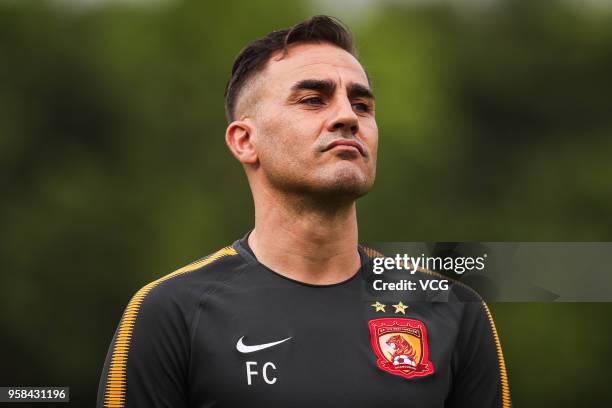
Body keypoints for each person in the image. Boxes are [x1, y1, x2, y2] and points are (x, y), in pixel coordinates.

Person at [97, 15, 510, 408]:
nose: (348, 116)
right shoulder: (173, 311)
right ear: (244, 141)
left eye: (363, 105)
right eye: (314, 100)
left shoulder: (452, 310)